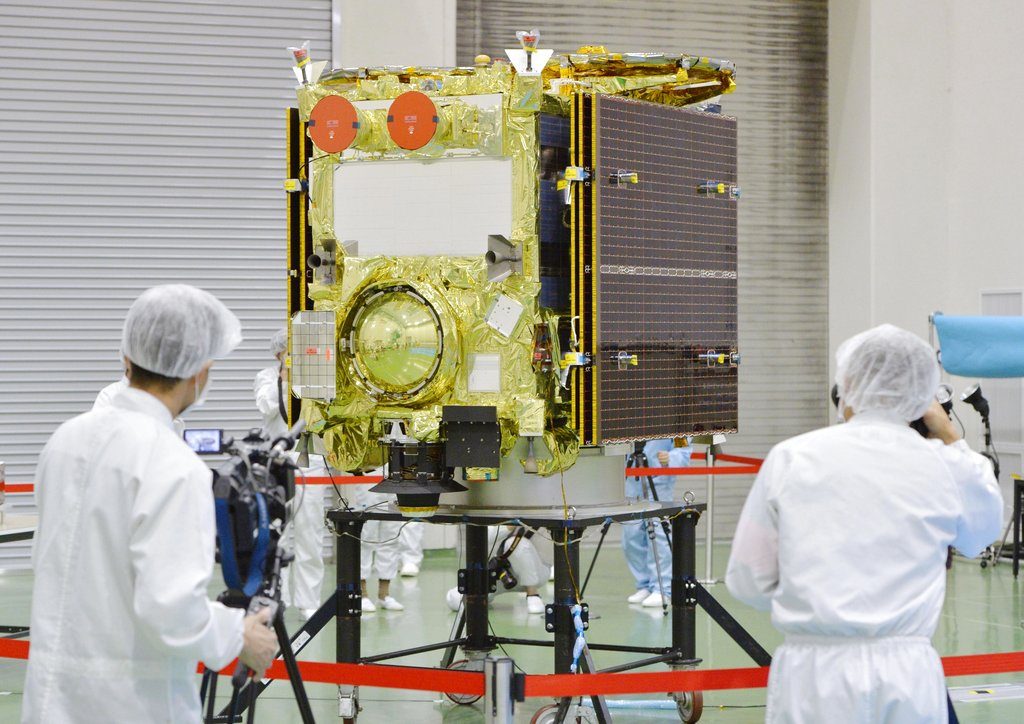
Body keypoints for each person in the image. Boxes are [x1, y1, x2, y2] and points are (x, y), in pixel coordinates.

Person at [23, 285, 277, 723]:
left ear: (128, 356)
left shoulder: (64, 440)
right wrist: (240, 636)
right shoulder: (171, 463)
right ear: (201, 367)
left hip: (52, 698)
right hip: (129, 704)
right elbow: (171, 610)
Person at [726, 324, 1003, 724]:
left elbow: (747, 580)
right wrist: (948, 435)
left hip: (814, 677)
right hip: (907, 677)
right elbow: (981, 536)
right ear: (924, 395)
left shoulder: (792, 459)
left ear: (846, 384)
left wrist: (818, 606)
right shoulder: (948, 467)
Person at [253, 327, 327, 620]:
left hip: (310, 464)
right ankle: (275, 597)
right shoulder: (266, 379)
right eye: (288, 351)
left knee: (311, 533)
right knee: (276, 535)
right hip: (276, 465)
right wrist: (284, 380)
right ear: (278, 354)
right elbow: (266, 407)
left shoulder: (315, 380)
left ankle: (308, 600)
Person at [623, 438, 692, 608]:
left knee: (659, 534)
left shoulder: (673, 418)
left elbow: (684, 449)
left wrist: (671, 458)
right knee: (631, 536)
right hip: (632, 479)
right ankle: (644, 584)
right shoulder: (629, 413)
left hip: (659, 480)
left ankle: (663, 588)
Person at [446, 525, 549, 614]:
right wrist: (508, 526)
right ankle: (486, 595)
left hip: (537, 571)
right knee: (454, 599)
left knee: (514, 543)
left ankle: (532, 594)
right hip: (501, 572)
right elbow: (483, 536)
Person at [349, 479, 405, 611]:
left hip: (395, 477)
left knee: (391, 535)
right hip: (370, 475)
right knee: (365, 535)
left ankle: (384, 595)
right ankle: (362, 594)